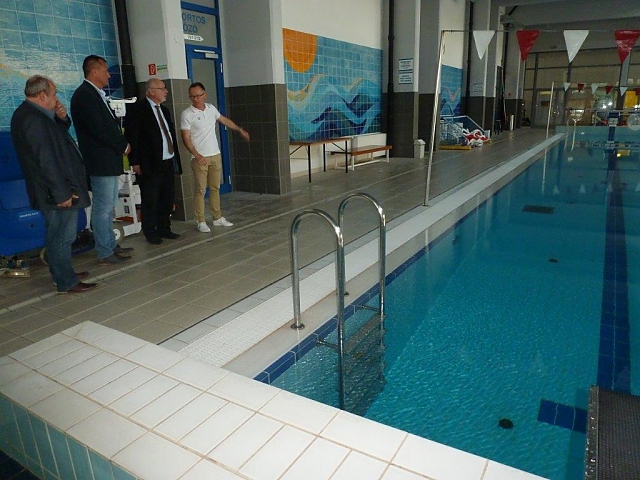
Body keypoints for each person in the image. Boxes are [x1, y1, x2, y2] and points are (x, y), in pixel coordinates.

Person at [11, 75, 97, 293]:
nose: (56, 98)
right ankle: (65, 281)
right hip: (55, 191)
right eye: (54, 93)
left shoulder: (36, 115)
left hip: (56, 187)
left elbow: (56, 140)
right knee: (62, 237)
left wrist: (61, 118)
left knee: (60, 235)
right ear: (42, 95)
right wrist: (61, 193)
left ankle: (63, 273)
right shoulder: (32, 119)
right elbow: (46, 160)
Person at [70, 55, 133, 266]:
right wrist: (122, 146)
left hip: (108, 160)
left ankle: (110, 245)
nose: (109, 75)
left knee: (108, 207)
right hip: (100, 161)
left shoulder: (96, 94)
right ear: (94, 71)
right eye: (105, 70)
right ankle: (104, 252)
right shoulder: (84, 96)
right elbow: (99, 129)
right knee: (103, 208)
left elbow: (109, 126)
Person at [180, 82, 250, 233]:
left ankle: (217, 217)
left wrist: (239, 129)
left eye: (198, 96)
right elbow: (185, 137)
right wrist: (196, 154)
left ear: (204, 95)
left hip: (215, 155)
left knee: (215, 188)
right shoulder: (187, 114)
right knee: (200, 190)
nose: (196, 99)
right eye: (192, 96)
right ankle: (200, 220)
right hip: (199, 158)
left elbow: (223, 120)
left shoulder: (211, 108)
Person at [124, 78, 182, 245]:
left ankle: (164, 228)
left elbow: (168, 134)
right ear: (151, 91)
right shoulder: (138, 110)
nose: (166, 91)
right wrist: (135, 162)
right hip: (149, 163)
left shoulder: (164, 110)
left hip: (167, 160)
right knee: (150, 199)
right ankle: (150, 232)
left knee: (167, 197)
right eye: (162, 88)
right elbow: (132, 137)